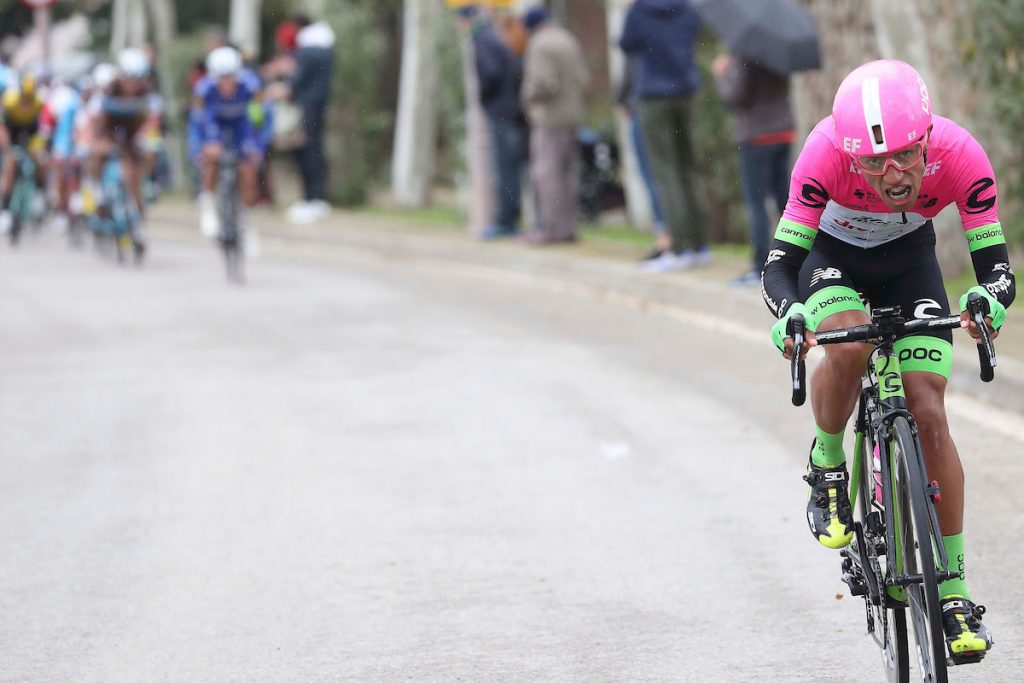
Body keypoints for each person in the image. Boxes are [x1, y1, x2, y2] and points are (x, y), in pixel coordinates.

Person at [764, 60, 1013, 659]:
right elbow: (778, 265)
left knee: (928, 409)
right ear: (851, 155)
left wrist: (987, 302)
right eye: (873, 163)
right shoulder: (823, 153)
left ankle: (952, 593)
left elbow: (997, 269)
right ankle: (827, 465)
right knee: (849, 341)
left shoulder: (961, 155)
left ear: (927, 137)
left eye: (904, 156)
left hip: (908, 261)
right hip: (829, 258)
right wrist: (790, 315)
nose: (892, 174)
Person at [619, 0, 708, 272]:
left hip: (653, 95)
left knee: (665, 171)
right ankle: (699, 245)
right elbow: (696, 33)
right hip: (685, 91)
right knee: (687, 167)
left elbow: (626, 43)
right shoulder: (687, 7)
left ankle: (679, 247)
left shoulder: (640, 9)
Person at [712, 53, 794, 286]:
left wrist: (722, 75)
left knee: (756, 203)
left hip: (757, 136)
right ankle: (794, 261)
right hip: (784, 130)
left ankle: (760, 266)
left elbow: (734, 95)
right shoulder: (780, 49)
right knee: (786, 203)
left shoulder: (746, 53)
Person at [84, 48, 163, 254]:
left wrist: (147, 141)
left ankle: (139, 213)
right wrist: (94, 142)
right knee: (97, 155)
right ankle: (98, 193)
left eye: (138, 79)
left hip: (132, 133)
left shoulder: (147, 91)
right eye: (129, 79)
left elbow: (153, 121)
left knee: (134, 171)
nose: (133, 84)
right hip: (108, 129)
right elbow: (93, 121)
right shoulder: (108, 90)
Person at [458, 5, 527, 240]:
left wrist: (485, 98)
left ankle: (506, 221)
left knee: (504, 167)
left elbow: (491, 73)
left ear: (467, 21)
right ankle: (509, 218)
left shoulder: (482, 38)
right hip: (509, 107)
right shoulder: (493, 36)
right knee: (508, 167)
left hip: (501, 110)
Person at [520, 7, 587, 245]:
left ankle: (549, 229)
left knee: (547, 175)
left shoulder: (540, 45)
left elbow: (543, 83)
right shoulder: (568, 39)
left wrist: (527, 98)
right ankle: (568, 228)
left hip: (549, 118)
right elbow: (582, 77)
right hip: (572, 115)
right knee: (568, 176)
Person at [193, 46, 267, 238]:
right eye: (221, 78)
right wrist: (203, 146)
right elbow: (198, 119)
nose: (226, 83)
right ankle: (208, 206)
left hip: (241, 126)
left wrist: (257, 146)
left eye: (230, 77)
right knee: (211, 161)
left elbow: (259, 116)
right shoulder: (203, 89)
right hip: (214, 124)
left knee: (248, 170)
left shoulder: (251, 85)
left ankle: (246, 221)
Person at [285, 14, 335, 225]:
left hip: (307, 107)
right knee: (315, 149)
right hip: (319, 105)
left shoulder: (308, 50)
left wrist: (286, 79)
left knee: (307, 151)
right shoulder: (327, 47)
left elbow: (298, 79)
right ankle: (316, 197)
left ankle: (311, 198)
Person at [0, 71, 48, 233]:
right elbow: (2, 126)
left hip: (30, 130)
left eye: (30, 98)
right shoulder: (10, 101)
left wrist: (39, 146)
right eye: (24, 98)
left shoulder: (39, 101)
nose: (27, 101)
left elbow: (42, 126)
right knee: (10, 164)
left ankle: (40, 196)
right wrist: (7, 146)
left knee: (40, 160)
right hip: (11, 130)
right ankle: (5, 209)